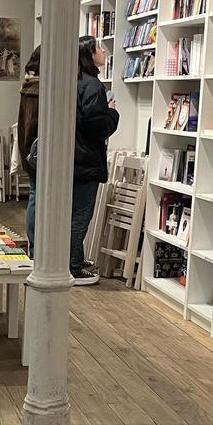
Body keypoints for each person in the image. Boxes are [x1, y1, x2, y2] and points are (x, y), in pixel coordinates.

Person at [71, 36, 119, 285]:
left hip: (72, 157)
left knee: (71, 213)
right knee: (81, 215)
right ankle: (73, 266)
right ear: (90, 54)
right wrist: (112, 113)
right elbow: (97, 127)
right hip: (86, 159)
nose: (104, 51)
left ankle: (73, 258)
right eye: (100, 48)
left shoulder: (74, 81)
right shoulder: (93, 86)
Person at [18, 47, 41, 253]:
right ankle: (35, 245)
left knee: (35, 194)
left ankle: (33, 244)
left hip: (29, 148)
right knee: (37, 195)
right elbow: (35, 123)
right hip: (39, 152)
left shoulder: (28, 87)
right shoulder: (40, 91)